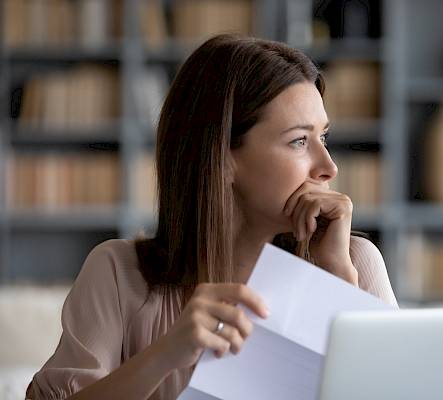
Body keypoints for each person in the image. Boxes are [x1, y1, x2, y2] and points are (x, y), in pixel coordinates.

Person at [26, 34, 398, 400]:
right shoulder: (117, 273)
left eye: (324, 138)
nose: (328, 167)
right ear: (222, 158)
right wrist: (165, 355)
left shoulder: (356, 263)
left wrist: (339, 287)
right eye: (299, 141)